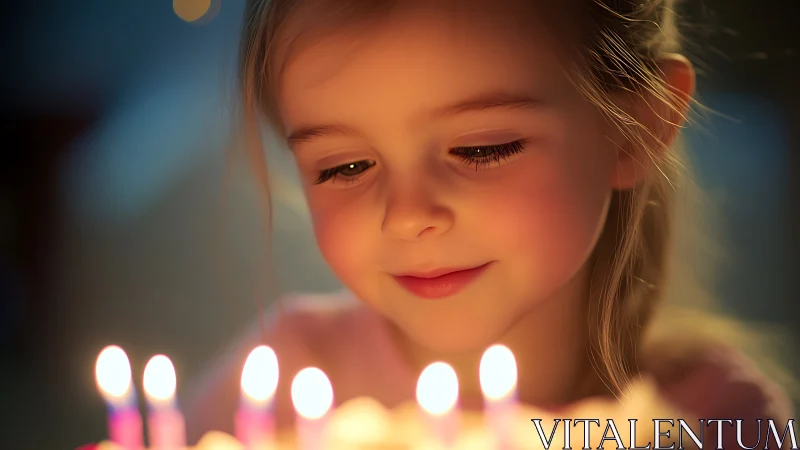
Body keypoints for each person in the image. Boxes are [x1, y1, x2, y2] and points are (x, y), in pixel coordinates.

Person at [185, 0, 795, 447]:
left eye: (482, 149)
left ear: (635, 129)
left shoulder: (717, 419)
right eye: (347, 165)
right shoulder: (276, 387)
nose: (408, 216)